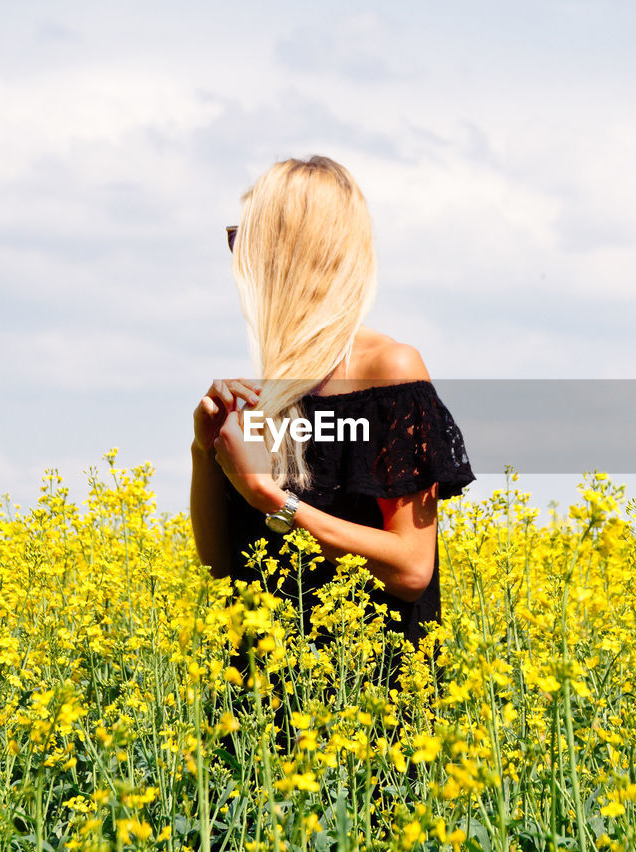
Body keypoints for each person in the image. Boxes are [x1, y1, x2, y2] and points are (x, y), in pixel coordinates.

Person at [189, 156, 474, 692]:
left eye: (243, 242)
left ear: (296, 254)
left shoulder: (388, 372)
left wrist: (273, 500)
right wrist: (205, 453)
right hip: (259, 700)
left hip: (366, 707)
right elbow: (223, 566)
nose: (237, 264)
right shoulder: (273, 389)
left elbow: (412, 570)